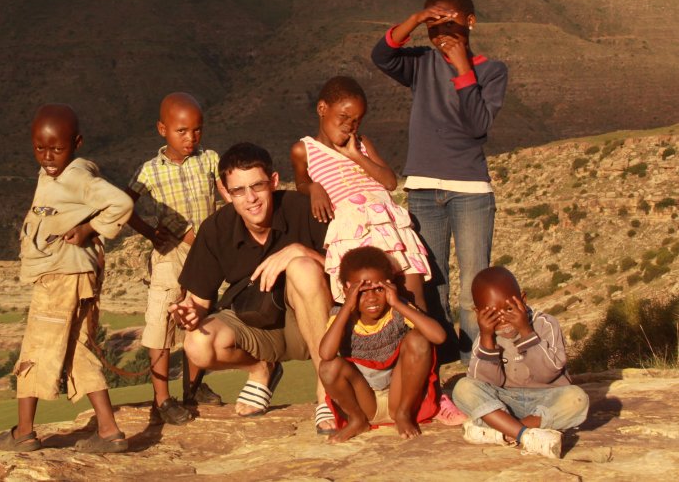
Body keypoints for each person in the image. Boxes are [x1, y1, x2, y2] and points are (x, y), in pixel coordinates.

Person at [371, 0, 508, 363]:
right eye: (433, 26)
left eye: (450, 23)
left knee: (474, 286)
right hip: (423, 189)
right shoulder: (421, 63)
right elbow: (381, 55)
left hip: (471, 191)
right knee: (433, 283)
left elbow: (478, 125)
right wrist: (415, 19)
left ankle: (478, 365)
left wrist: (463, 68)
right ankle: (444, 365)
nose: (441, 32)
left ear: (470, 21)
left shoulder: (492, 71)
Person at [169, 142, 338, 435]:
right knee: (196, 345)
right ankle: (261, 368)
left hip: (311, 324)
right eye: (238, 190)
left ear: (273, 181)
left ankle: (328, 392)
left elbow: (351, 272)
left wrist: (302, 252)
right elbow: (198, 301)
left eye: (257, 186)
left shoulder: (304, 209)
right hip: (255, 323)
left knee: (302, 267)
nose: (250, 199)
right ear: (225, 192)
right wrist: (189, 312)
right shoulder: (215, 229)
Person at [0, 103, 134, 454]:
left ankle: (24, 432)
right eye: (40, 148)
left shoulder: (76, 177)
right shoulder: (53, 174)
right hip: (72, 275)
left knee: (36, 349)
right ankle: (109, 431)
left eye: (57, 149)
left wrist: (90, 228)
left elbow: (121, 203)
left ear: (76, 143)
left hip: (61, 277)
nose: (47, 156)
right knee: (77, 350)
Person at [290, 75, 431, 311]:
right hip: (353, 231)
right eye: (344, 117)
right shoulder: (304, 150)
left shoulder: (362, 143)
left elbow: (389, 182)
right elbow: (301, 182)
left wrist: (355, 155)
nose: (350, 125)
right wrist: (314, 187)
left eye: (357, 120)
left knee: (413, 299)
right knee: (364, 303)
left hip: (388, 226)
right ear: (322, 109)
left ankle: (420, 334)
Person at [126, 92, 224, 426]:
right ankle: (162, 399)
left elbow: (227, 192)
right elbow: (123, 205)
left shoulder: (209, 159)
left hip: (206, 254)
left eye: (197, 130)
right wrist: (148, 232)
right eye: (181, 131)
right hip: (170, 254)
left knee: (198, 319)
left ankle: (192, 389)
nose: (190, 138)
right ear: (162, 130)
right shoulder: (150, 171)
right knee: (161, 323)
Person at [452, 267, 589, 459]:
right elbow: (486, 383)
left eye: (509, 309)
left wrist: (526, 332)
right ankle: (527, 435)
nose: (503, 319)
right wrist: (487, 339)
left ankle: (502, 431)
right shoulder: (485, 337)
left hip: (546, 399)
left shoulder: (546, 325)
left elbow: (547, 374)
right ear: (478, 312)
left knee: (577, 399)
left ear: (523, 300)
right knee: (463, 388)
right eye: (492, 314)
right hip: (505, 402)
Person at [318, 247, 446, 442]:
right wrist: (347, 306)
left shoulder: (398, 309)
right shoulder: (341, 316)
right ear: (347, 291)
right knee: (328, 368)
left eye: (379, 289)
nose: (371, 298)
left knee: (418, 340)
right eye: (362, 291)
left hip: (400, 396)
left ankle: (403, 415)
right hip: (364, 402)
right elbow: (326, 354)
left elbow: (438, 337)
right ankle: (357, 420)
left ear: (390, 286)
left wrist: (397, 303)